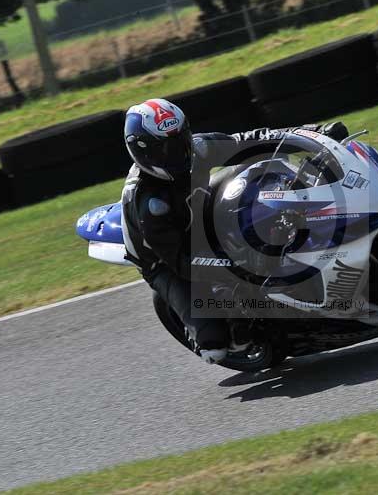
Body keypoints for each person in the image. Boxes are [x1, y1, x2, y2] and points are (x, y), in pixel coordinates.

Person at [120, 98, 349, 364]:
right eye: (168, 148)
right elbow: (182, 263)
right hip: (166, 260)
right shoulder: (149, 203)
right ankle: (238, 334)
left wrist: (315, 133)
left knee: (264, 184)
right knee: (214, 345)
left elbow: (254, 139)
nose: (181, 153)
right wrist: (236, 267)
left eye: (181, 140)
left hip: (200, 209)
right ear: (145, 152)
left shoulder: (198, 149)